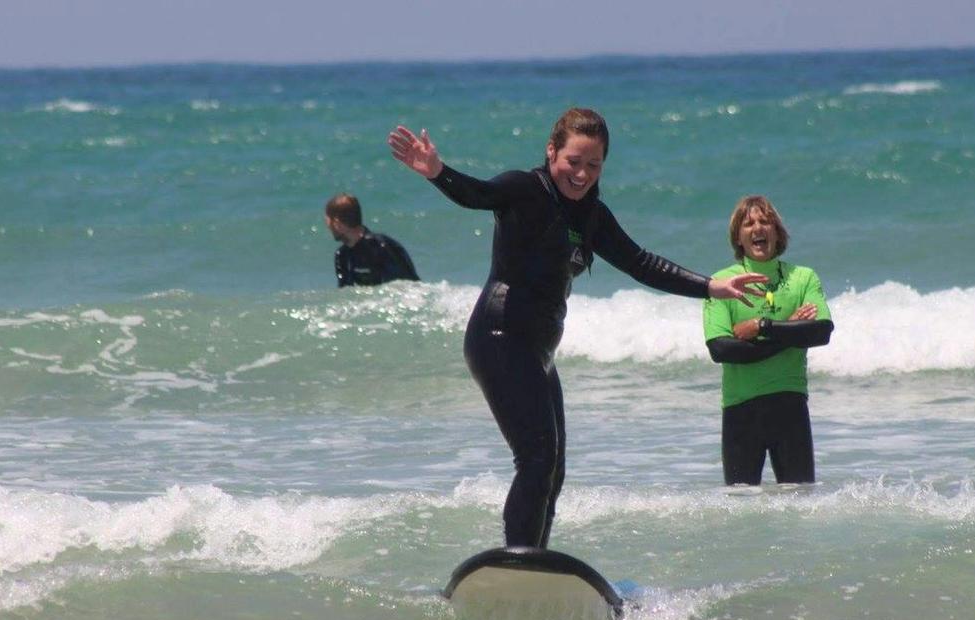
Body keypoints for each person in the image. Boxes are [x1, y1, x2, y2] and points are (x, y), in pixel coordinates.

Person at [388, 108, 767, 548]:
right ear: (551, 151)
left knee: (554, 465)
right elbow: (478, 194)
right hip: (499, 337)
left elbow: (640, 262)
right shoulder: (524, 189)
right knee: (536, 458)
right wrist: (438, 172)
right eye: (573, 161)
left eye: (594, 165)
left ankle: (534, 562)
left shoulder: (591, 216)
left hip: (537, 353)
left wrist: (711, 286)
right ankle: (519, 561)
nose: (582, 174)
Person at [703, 195, 834, 486]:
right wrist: (790, 331)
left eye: (765, 221)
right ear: (738, 236)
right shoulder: (723, 283)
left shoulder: (802, 278)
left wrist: (761, 326)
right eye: (748, 224)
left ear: (777, 231)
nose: (757, 228)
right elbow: (721, 349)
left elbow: (821, 331)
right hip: (741, 410)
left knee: (800, 506)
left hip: (790, 406)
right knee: (740, 511)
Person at [325, 193, 420, 287]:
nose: (328, 227)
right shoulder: (342, 256)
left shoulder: (381, 247)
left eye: (328, 222)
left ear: (337, 224)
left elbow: (406, 285)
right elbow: (345, 293)